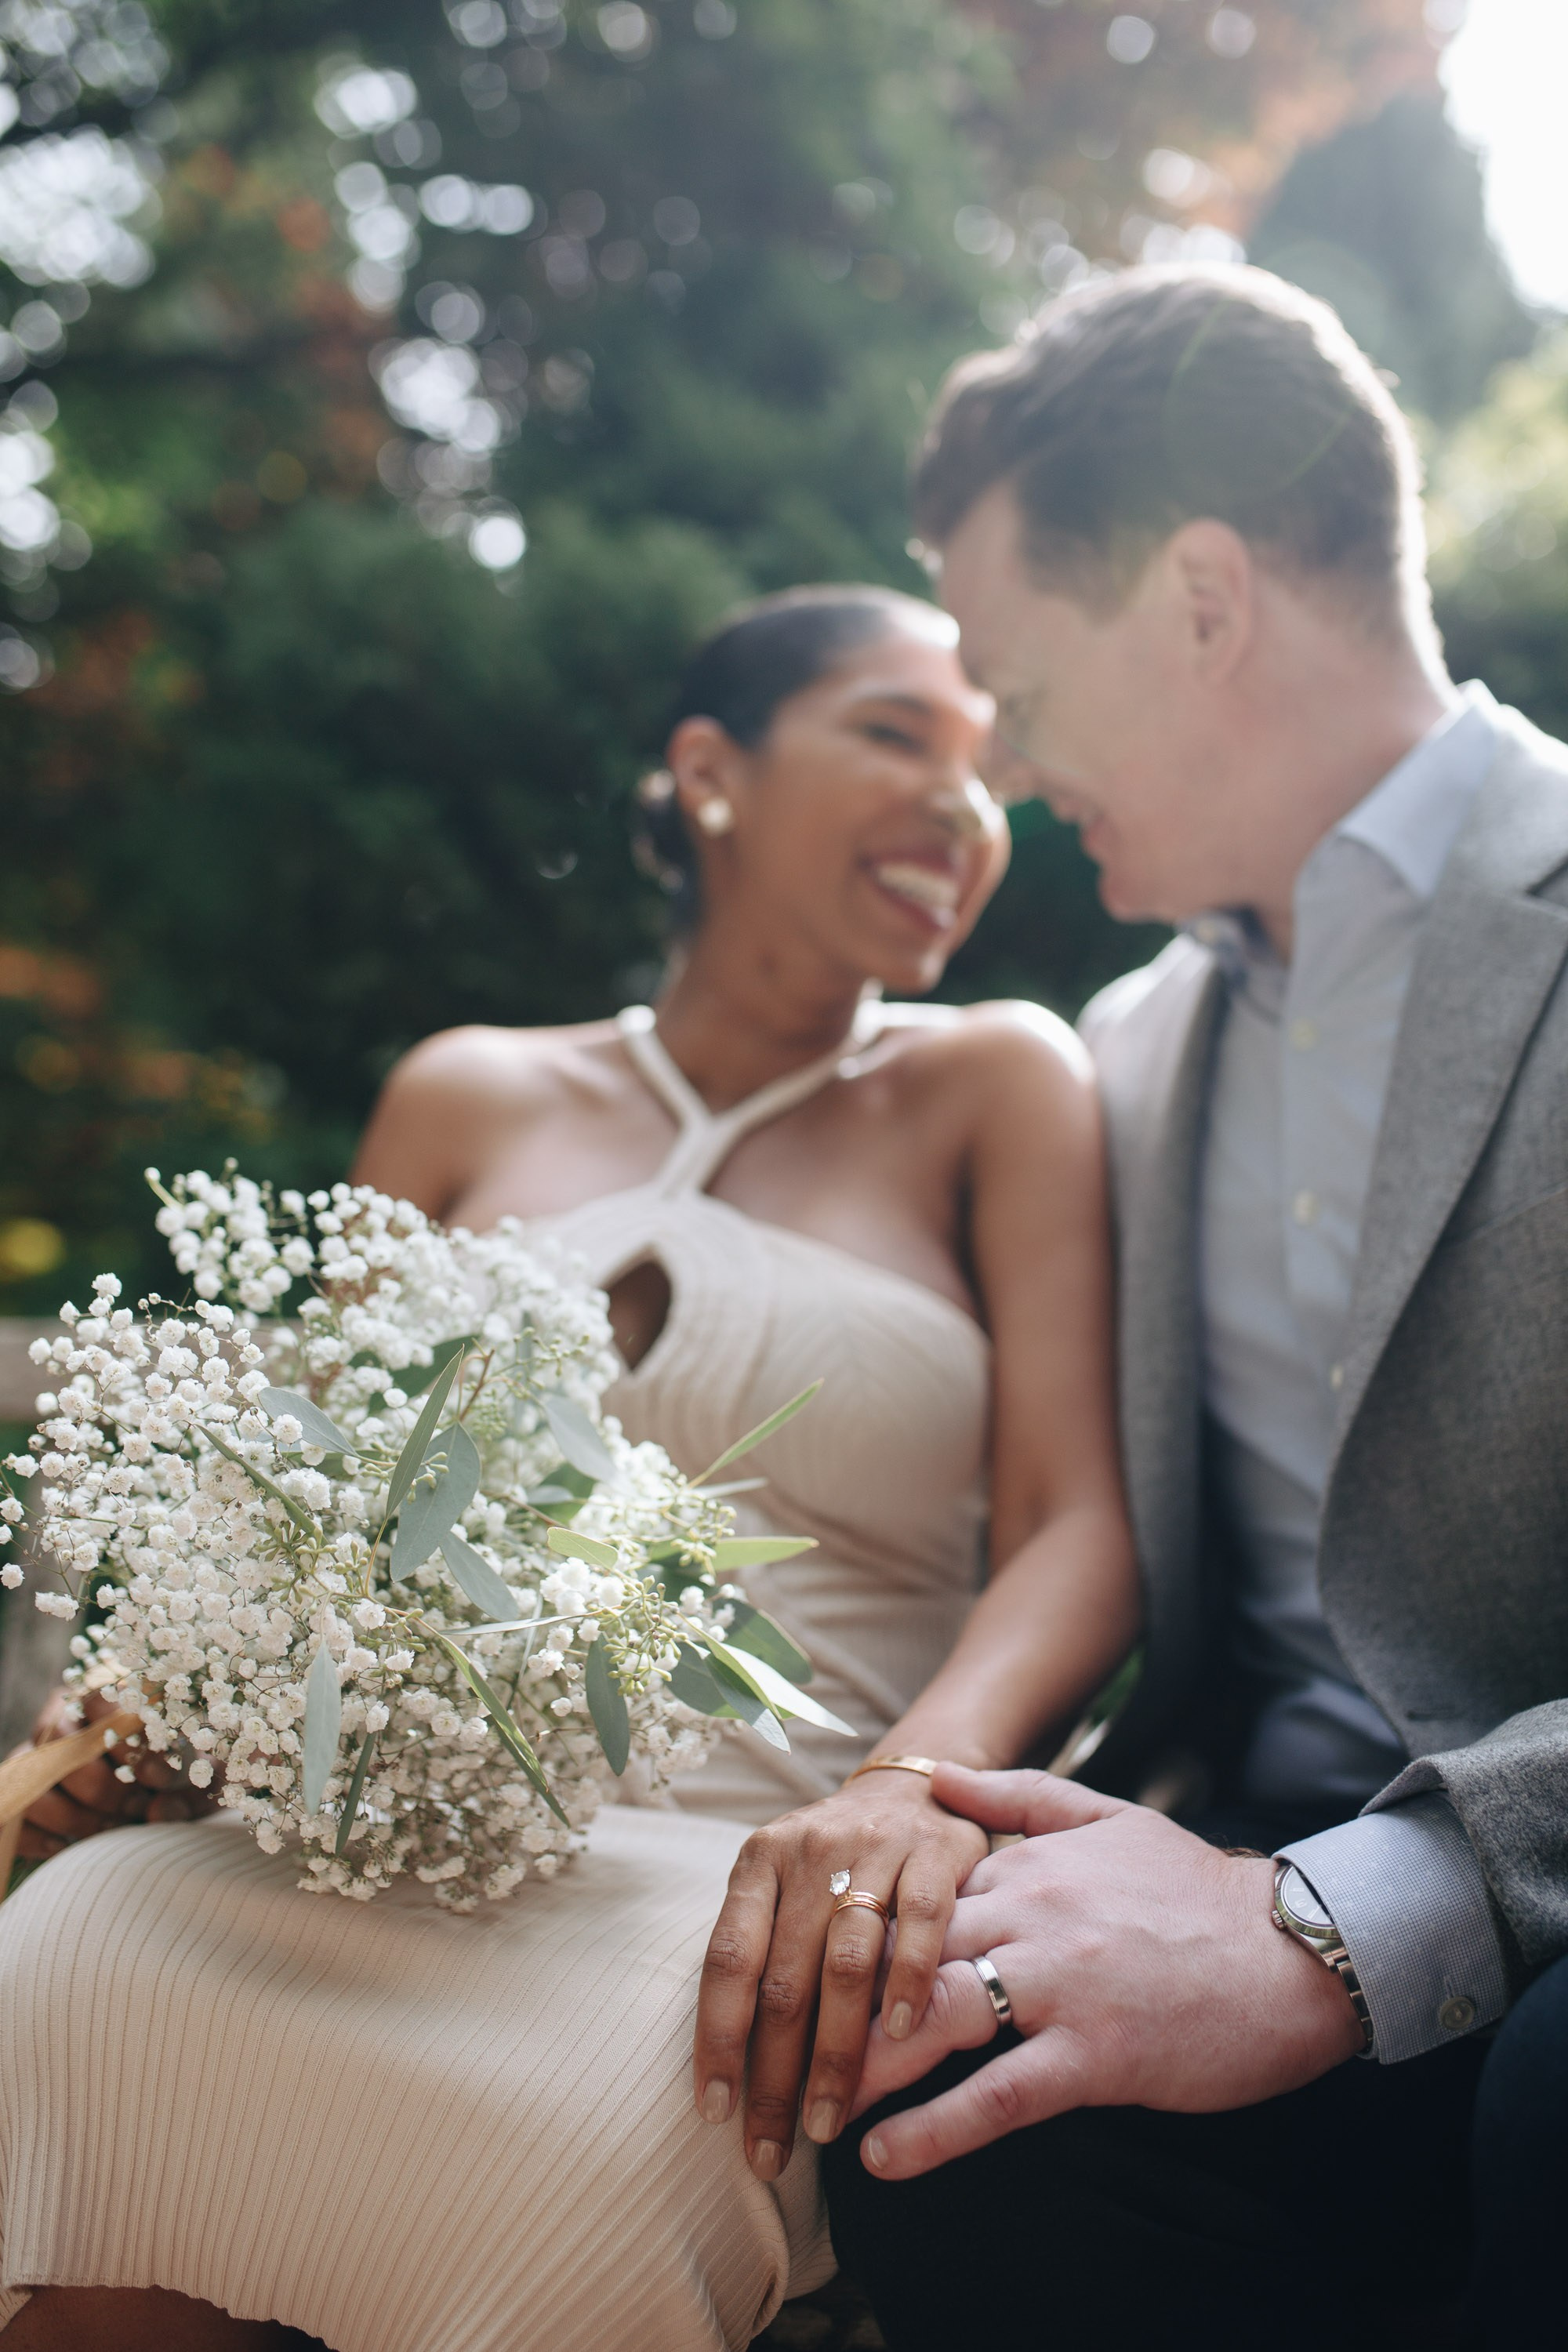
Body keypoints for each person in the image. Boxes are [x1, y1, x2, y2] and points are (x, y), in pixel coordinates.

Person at [0, 585, 1141, 2352]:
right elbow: (315, 1504)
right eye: (896, 734)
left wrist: (909, 1789)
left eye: (988, 769)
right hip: (386, 1844)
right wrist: (200, 1675)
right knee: (77, 1960)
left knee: (607, 2126)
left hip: (764, 1864)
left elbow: (1076, 1529)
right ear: (713, 772)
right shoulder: (467, 1093)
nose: (965, 808)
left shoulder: (1000, 1082)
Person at [821, 266, 1568, 2348]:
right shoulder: (1121, 1060)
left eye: (1015, 681)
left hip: (1529, 1934)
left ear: (1204, 599)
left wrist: (1330, 1926)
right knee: (943, 2118)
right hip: (1226, 1853)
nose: (999, 763)